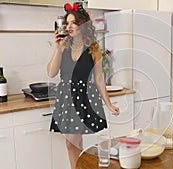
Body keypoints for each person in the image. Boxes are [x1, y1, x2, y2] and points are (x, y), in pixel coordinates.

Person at [47, 2, 119, 168]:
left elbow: (99, 78)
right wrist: (57, 49)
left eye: (74, 22)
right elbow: (51, 73)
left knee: (73, 144)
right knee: (73, 144)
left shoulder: (93, 48)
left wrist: (109, 103)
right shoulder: (63, 46)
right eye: (67, 23)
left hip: (84, 98)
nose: (69, 26)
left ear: (83, 25)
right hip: (66, 98)